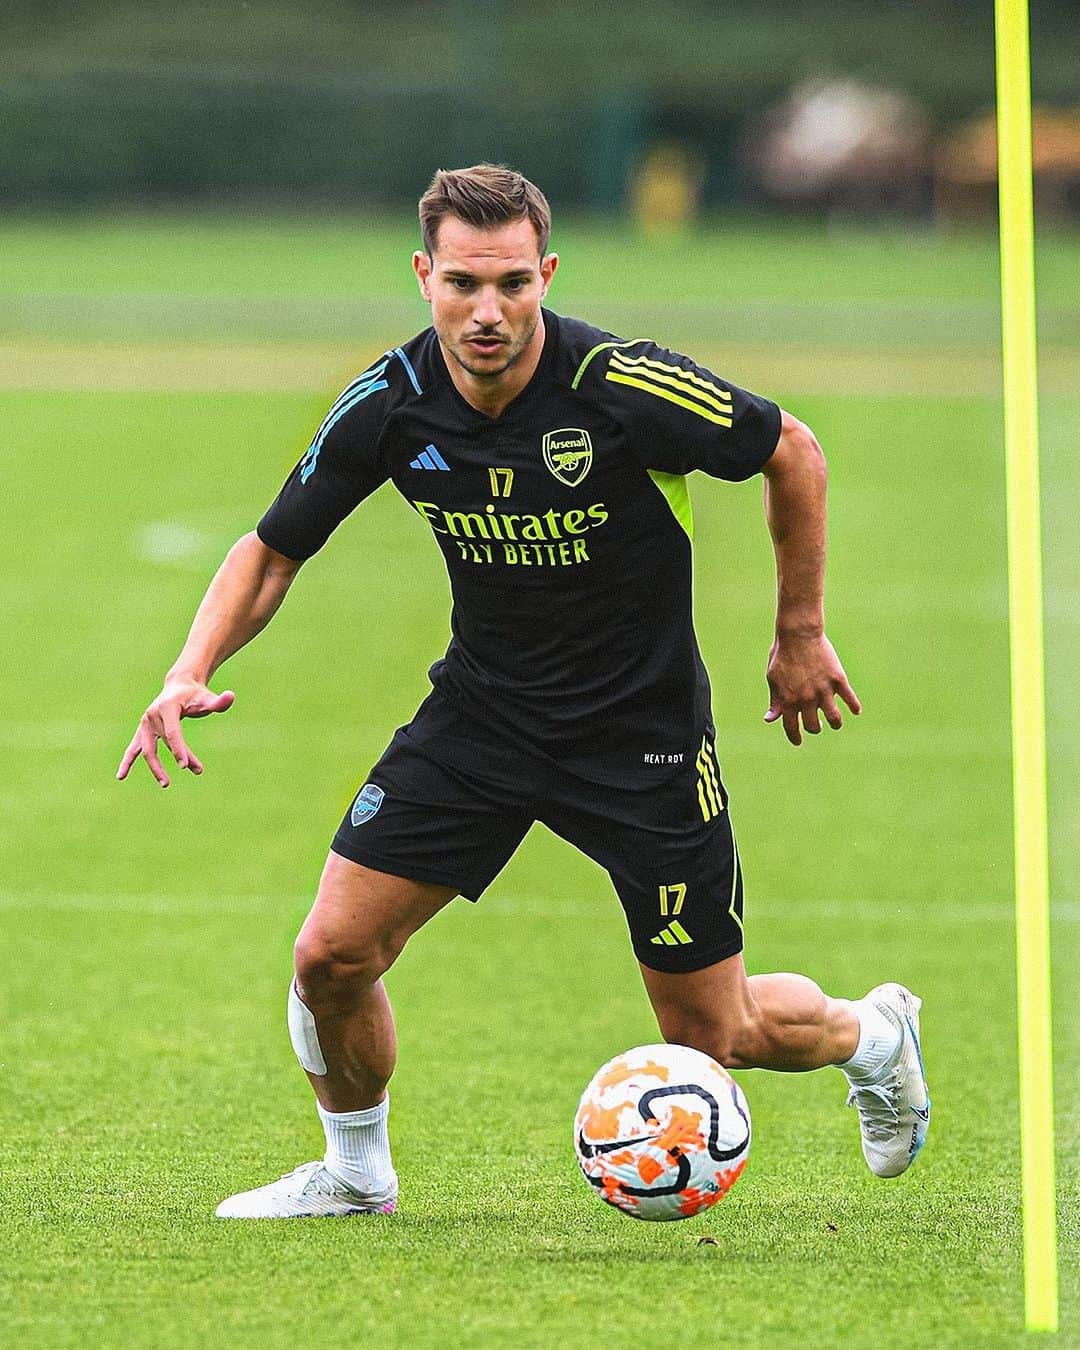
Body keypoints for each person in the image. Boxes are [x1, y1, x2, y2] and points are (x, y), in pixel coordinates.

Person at [117, 164, 929, 1219]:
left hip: (640, 740)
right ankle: (356, 1175)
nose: (486, 310)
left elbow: (792, 451)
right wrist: (189, 670)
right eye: (462, 283)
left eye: (510, 283)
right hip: (483, 722)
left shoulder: (625, 385)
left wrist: (801, 633)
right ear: (424, 277)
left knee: (715, 1035)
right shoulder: (391, 402)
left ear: (546, 273)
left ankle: (873, 1035)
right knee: (332, 955)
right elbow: (272, 551)